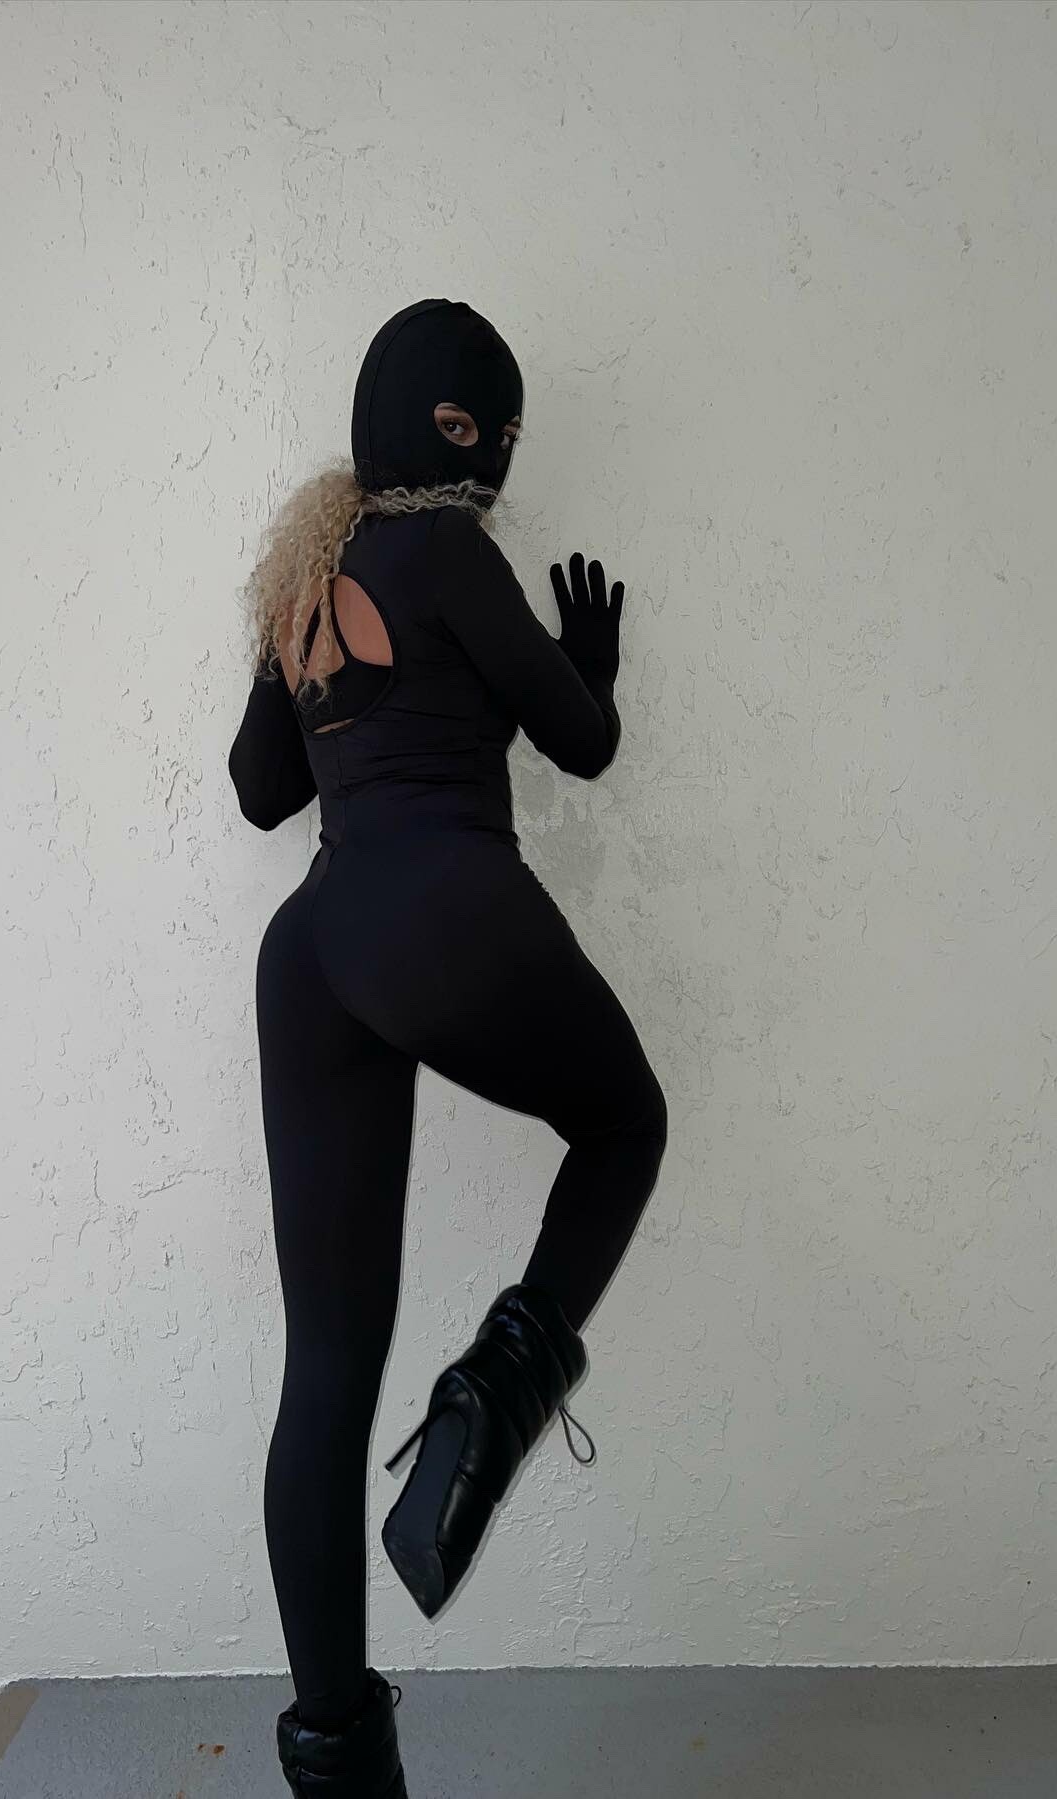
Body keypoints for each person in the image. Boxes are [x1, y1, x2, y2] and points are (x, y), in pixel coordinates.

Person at [229, 298, 668, 1797]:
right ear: (444, 424)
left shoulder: (312, 577)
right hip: (442, 911)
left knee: (326, 1367)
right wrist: (591, 664)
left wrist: (287, 651)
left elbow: (261, 791)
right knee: (625, 1125)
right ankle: (497, 1387)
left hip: (314, 955)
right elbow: (581, 741)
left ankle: (338, 1758)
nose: (497, 464)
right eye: (489, 432)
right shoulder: (446, 552)